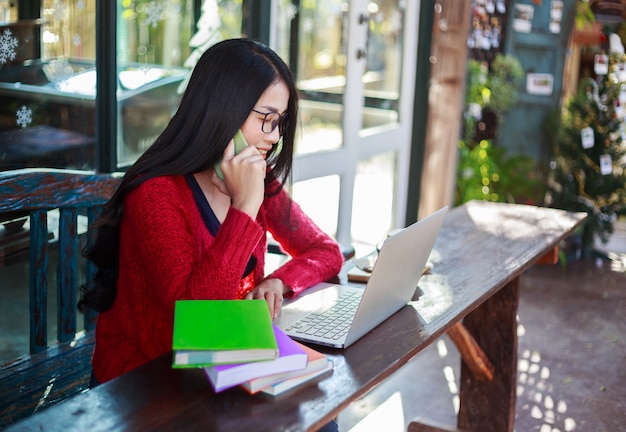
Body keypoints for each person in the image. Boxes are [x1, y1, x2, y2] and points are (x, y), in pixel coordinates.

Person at [78, 38, 344, 391]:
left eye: (280, 121)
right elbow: (195, 322)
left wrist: (277, 281)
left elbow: (326, 251)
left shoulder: (259, 182)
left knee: (319, 413)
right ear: (223, 112)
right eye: (266, 119)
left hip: (222, 362)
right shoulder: (156, 195)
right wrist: (244, 209)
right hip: (147, 382)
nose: (275, 135)